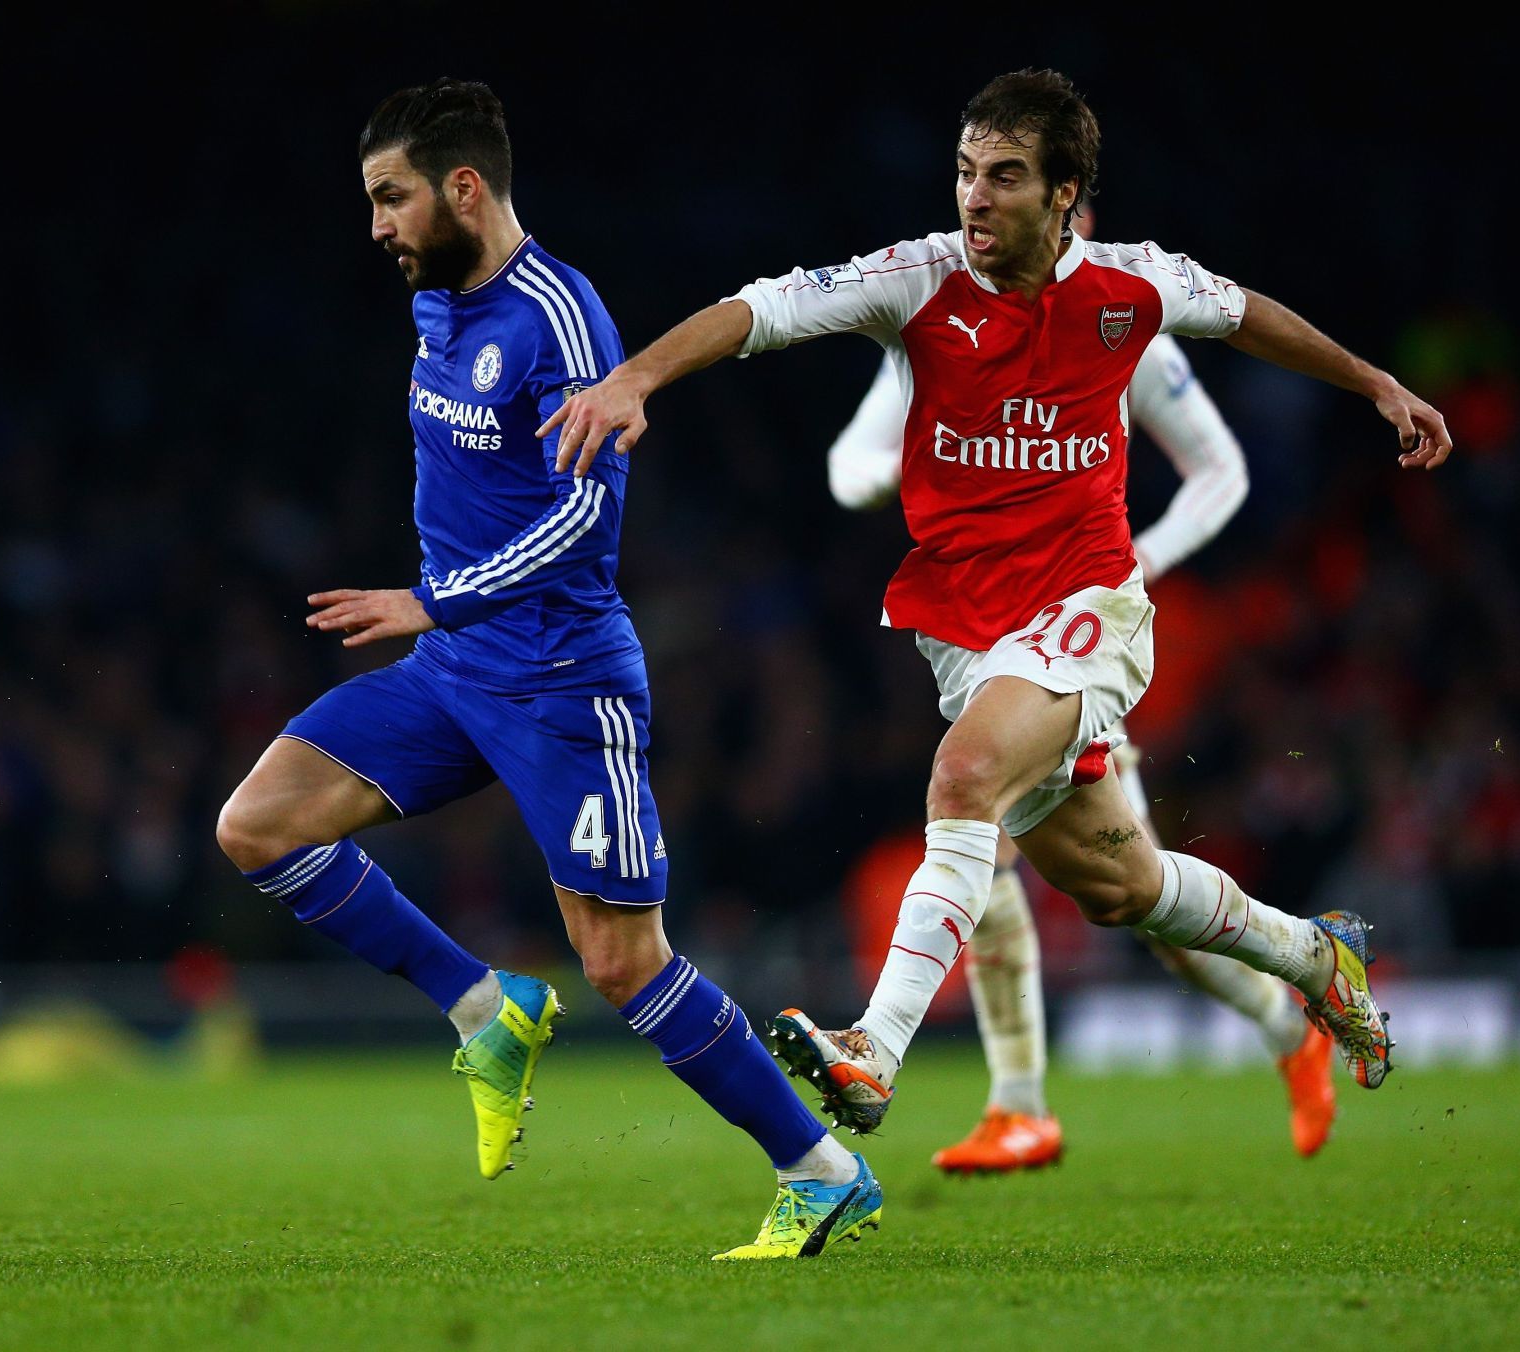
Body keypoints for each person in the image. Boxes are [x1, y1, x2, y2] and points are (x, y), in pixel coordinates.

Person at [543, 68, 1448, 1137]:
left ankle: (874, 1049)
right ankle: (1313, 953)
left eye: (1007, 177)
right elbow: (761, 308)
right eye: (968, 172)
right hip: (966, 631)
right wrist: (638, 376)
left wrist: (1376, 384)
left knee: (963, 776)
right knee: (1125, 886)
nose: (976, 197)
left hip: (1090, 605)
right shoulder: (916, 281)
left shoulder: (1131, 288)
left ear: (1066, 193)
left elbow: (1252, 318)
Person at [213, 79, 879, 1261]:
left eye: (392, 197)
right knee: (258, 824)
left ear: (464, 188)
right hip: (454, 668)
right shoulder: (437, 309)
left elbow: (584, 521)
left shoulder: (561, 319)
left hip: (563, 678)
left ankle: (819, 1168)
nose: (377, 226)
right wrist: (442, 616)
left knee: (623, 957)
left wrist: (431, 597)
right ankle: (484, 1007)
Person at [827, 210, 1335, 1169]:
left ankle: (1279, 1019)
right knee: (1017, 851)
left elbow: (1220, 472)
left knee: (1124, 894)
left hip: (1077, 632)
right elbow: (849, 465)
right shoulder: (944, 334)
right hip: (979, 630)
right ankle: (1021, 1102)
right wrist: (943, 461)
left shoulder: (1117, 330)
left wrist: (1140, 558)